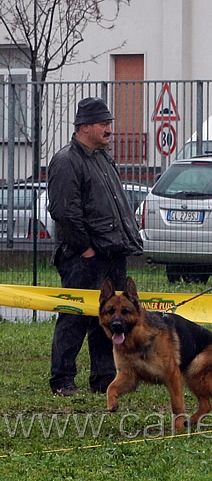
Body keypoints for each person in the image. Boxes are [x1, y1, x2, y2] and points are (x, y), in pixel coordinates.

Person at [47, 97, 143, 396]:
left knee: (108, 319)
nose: (109, 129)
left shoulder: (102, 157)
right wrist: (86, 250)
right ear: (84, 126)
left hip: (111, 252)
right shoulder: (66, 161)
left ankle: (103, 379)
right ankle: (62, 380)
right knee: (74, 317)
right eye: (103, 124)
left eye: (109, 123)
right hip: (83, 257)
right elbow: (64, 212)